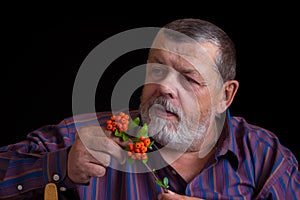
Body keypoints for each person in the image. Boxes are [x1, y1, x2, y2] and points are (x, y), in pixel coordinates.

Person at [0, 18, 299, 200]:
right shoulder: (86, 136)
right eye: (156, 70)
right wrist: (60, 166)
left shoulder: (267, 159)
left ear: (225, 95)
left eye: (189, 78)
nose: (166, 86)